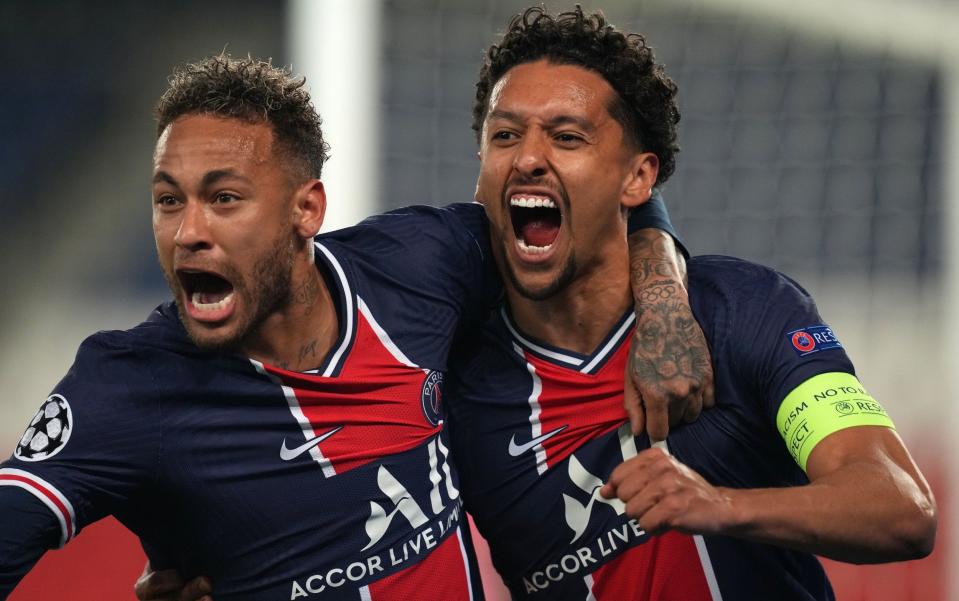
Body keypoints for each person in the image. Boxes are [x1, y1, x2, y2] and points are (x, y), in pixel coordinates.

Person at [0, 54, 709, 599]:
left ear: (306, 210)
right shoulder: (125, 389)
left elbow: (585, 203)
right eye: (166, 200)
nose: (188, 232)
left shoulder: (420, 267)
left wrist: (663, 297)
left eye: (224, 198)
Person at [444, 6, 937, 600]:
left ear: (638, 178)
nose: (526, 158)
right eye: (505, 135)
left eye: (567, 137)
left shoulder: (742, 309)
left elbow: (902, 508)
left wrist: (721, 504)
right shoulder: (453, 377)